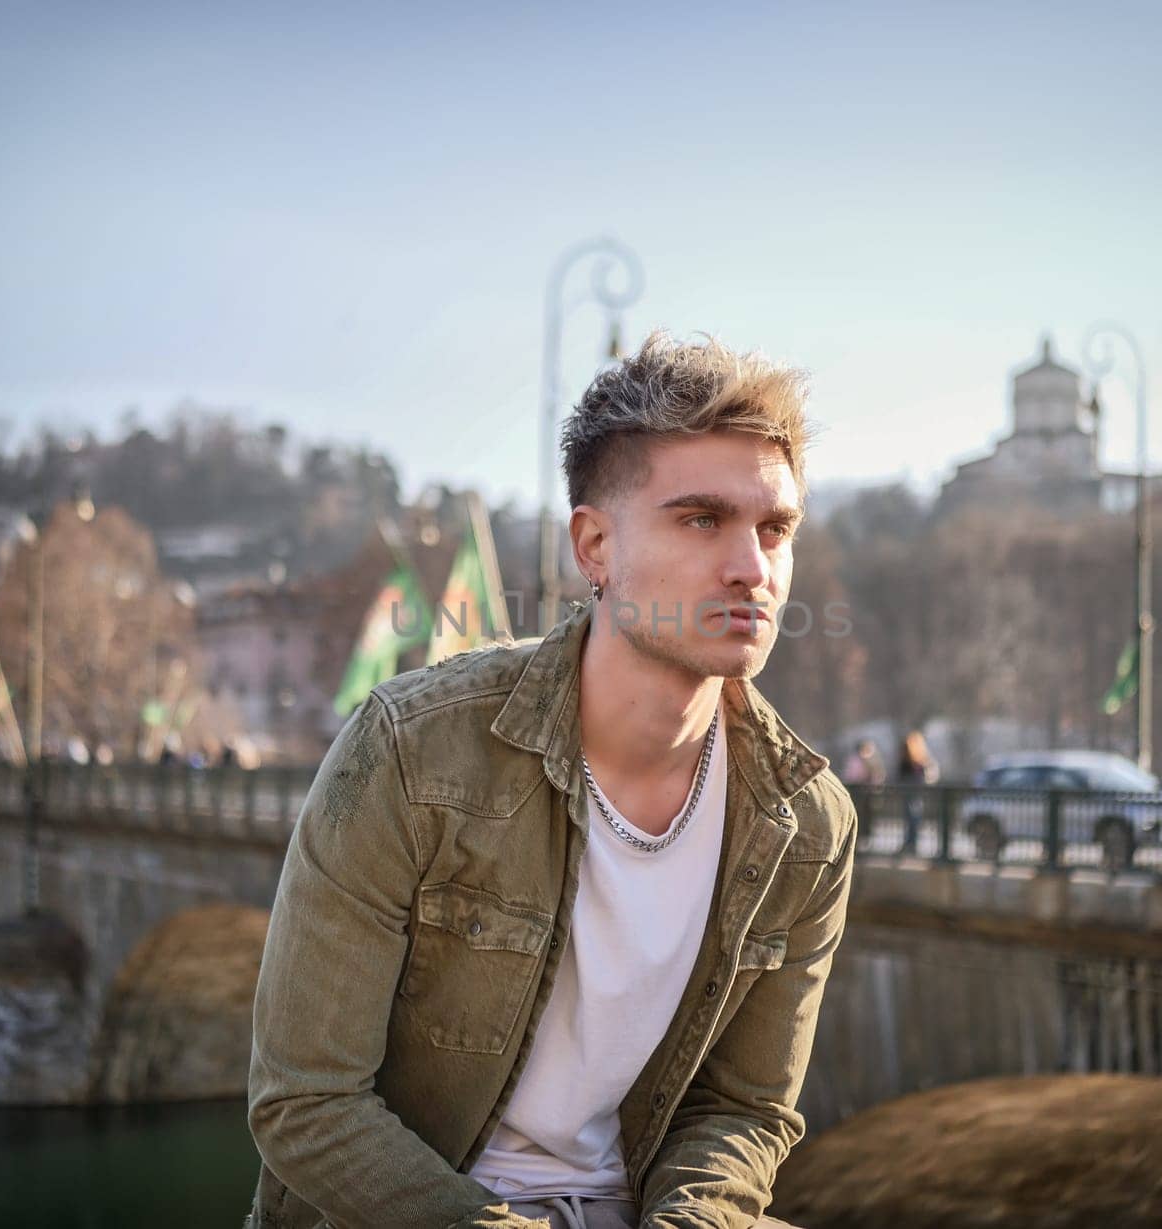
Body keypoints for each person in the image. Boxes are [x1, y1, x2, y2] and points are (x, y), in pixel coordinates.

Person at [246, 332, 856, 1229]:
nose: (751, 567)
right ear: (595, 545)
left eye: (775, 528)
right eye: (701, 519)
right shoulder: (413, 752)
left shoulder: (807, 823)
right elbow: (304, 1101)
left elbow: (743, 1109)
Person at [896, 729, 938, 853]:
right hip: (911, 791)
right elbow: (901, 773)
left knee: (913, 817)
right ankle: (910, 843)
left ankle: (912, 843)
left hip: (915, 791)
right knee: (912, 817)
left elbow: (928, 773)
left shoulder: (920, 758)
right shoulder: (909, 757)